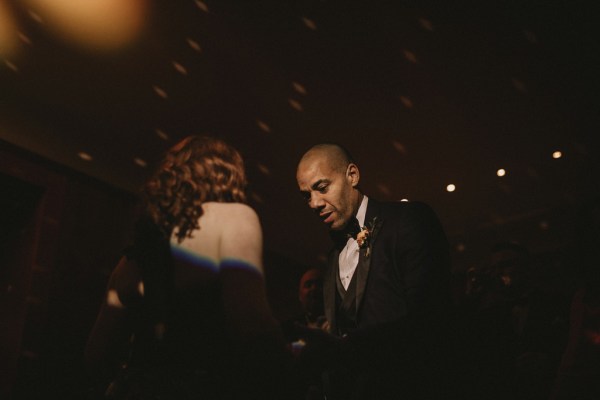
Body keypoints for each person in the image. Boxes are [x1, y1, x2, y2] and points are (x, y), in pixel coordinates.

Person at [85, 136, 295, 399]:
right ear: (226, 173)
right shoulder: (234, 217)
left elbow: (96, 352)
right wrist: (295, 365)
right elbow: (252, 325)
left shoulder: (133, 258)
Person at [295, 143, 452, 399]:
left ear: (352, 175)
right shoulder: (332, 255)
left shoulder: (408, 220)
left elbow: (431, 319)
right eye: (306, 196)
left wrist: (345, 347)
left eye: (322, 188)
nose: (314, 203)